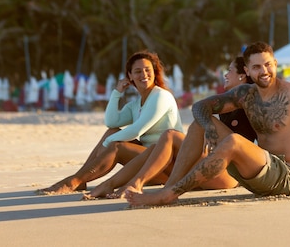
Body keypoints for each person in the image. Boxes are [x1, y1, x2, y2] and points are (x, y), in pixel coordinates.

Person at [126, 41, 290, 207]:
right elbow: (200, 107)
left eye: (268, 64)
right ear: (247, 69)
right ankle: (169, 189)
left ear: (275, 64)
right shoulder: (245, 94)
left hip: (286, 177)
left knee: (234, 141)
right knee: (198, 125)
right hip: (256, 171)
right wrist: (211, 132)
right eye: (257, 67)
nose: (264, 71)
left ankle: (169, 194)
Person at [83, 56, 257, 199]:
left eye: (230, 71)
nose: (225, 75)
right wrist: (116, 93)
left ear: (243, 75)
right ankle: (112, 184)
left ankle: (136, 183)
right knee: (160, 143)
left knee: (171, 135)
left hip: (227, 174)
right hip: (212, 166)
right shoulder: (226, 106)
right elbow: (112, 122)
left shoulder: (250, 104)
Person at [36, 50, 183, 195]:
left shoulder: (161, 96)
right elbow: (111, 122)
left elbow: (137, 130)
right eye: (138, 71)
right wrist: (117, 92)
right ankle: (80, 180)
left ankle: (73, 181)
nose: (144, 75)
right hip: (146, 160)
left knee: (115, 145)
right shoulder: (136, 104)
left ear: (154, 72)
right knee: (112, 132)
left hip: (166, 164)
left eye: (147, 70)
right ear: (130, 76)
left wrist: (107, 144)